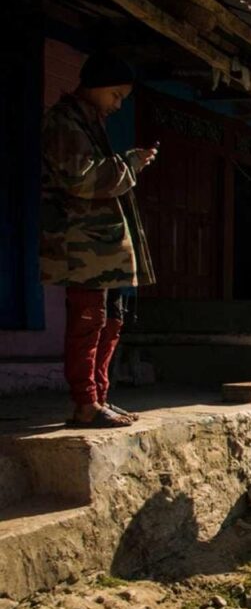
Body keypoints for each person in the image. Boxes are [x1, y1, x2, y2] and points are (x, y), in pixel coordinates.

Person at [40, 53, 158, 428]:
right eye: (115, 95)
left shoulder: (90, 122)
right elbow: (83, 179)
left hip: (103, 248)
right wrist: (131, 165)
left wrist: (128, 162)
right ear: (95, 86)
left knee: (111, 319)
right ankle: (85, 403)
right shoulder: (64, 122)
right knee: (88, 320)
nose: (118, 104)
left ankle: (100, 396)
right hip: (82, 245)